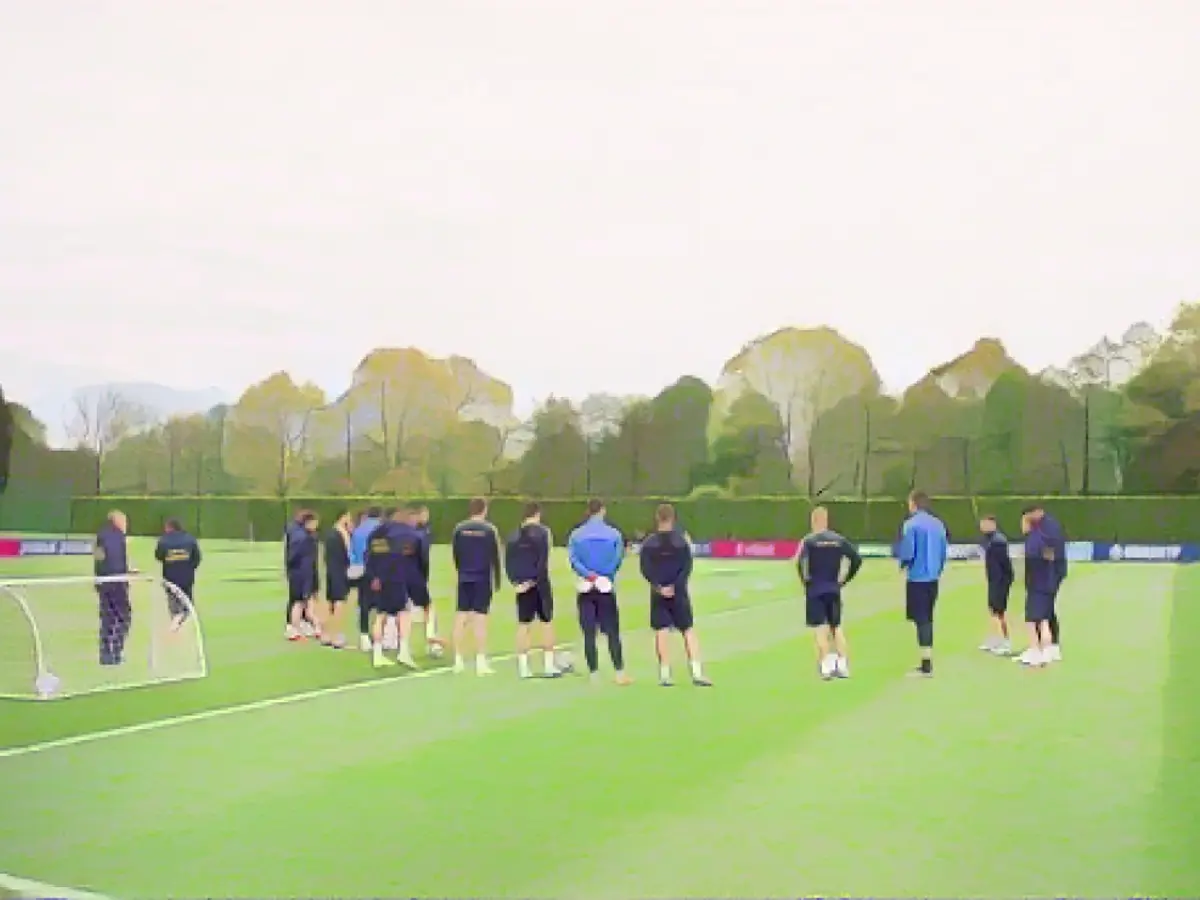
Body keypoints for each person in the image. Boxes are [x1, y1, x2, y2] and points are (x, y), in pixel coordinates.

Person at [639, 503, 711, 687]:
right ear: (673, 518)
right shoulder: (681, 542)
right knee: (688, 629)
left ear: (657, 518)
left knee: (661, 630)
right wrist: (676, 586)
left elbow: (645, 569)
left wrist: (658, 586)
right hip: (679, 592)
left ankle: (665, 673)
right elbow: (687, 567)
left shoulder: (649, 543)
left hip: (658, 593)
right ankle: (696, 672)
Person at [567, 498, 631, 686]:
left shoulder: (576, 535)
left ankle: (594, 673)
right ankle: (619, 672)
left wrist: (589, 575)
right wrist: (604, 575)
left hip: (586, 586)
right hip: (605, 586)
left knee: (588, 632)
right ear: (602, 511)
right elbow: (617, 559)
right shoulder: (614, 534)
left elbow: (574, 560)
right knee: (612, 632)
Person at [797, 505, 862, 680]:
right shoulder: (839, 540)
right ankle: (842, 664)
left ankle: (825, 666)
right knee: (836, 627)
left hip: (816, 590)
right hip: (833, 588)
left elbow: (801, 564)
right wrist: (845, 579)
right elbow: (856, 559)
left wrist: (806, 583)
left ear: (814, 521)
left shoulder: (810, 541)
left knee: (820, 628)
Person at [505, 502, 568, 679]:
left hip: (521, 585)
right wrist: (534, 579)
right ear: (537, 514)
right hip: (539, 583)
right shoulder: (543, 532)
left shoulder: (513, 535)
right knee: (546, 622)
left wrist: (517, 582)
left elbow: (508, 561)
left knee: (523, 624)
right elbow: (543, 559)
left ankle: (523, 668)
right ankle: (548, 665)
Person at [896, 491, 948, 677]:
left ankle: (926, 665)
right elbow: (943, 553)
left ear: (914, 504)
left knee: (921, 620)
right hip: (933, 578)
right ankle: (926, 660)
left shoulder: (911, 525)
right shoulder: (938, 524)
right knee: (927, 618)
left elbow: (908, 552)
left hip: (917, 578)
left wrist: (902, 564)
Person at [451, 497, 503, 675]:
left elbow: (456, 554)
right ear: (484, 510)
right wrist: (497, 580)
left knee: (461, 616)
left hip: (464, 576)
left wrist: (461, 571)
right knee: (480, 618)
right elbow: (495, 556)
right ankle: (481, 662)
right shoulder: (489, 530)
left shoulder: (459, 529)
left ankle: (458, 660)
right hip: (482, 578)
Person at [364, 508, 421, 669]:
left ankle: (377, 654)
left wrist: (374, 576)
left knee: (380, 615)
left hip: (381, 579)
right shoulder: (407, 533)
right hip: (398, 578)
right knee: (404, 613)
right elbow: (411, 557)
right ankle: (403, 651)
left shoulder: (376, 534)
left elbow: (370, 557)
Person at [1016, 505, 1066, 667]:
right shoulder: (1043, 529)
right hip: (1047, 576)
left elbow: (1047, 553)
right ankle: (1048, 649)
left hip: (1042, 578)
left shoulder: (1043, 531)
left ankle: (1039, 649)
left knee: (1035, 617)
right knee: (1045, 613)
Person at [95, 510, 135, 665]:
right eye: (124, 522)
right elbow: (116, 559)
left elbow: (100, 560)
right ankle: (117, 652)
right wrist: (123, 575)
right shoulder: (119, 537)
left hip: (104, 582)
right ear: (117, 521)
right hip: (117, 582)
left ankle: (105, 654)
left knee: (107, 618)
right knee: (124, 617)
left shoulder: (101, 536)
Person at [407, 505, 444, 655]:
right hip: (415, 578)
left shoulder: (419, 532)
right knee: (427, 609)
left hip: (402, 576)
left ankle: (400, 644)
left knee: (403, 611)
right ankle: (432, 643)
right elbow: (424, 559)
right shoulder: (420, 535)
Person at [154, 518, 201, 632]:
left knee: (173, 602)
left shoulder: (163, 541)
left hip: (170, 577)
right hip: (187, 577)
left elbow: (158, 556)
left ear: (169, 527)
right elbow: (197, 558)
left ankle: (176, 619)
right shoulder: (190, 539)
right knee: (188, 603)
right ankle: (179, 620)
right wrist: (189, 567)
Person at [978, 515, 1014, 655]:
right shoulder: (991, 540)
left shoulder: (998, 541)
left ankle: (1006, 641)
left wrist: (1001, 581)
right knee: (993, 610)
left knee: (999, 611)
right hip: (995, 579)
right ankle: (994, 639)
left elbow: (1003, 564)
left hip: (1000, 581)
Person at [284, 510, 320, 641]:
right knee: (299, 602)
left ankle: (299, 626)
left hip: (299, 573)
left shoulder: (300, 535)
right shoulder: (303, 538)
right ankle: (293, 628)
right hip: (301, 574)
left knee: (300, 602)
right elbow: (299, 558)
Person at [351, 507, 382, 651]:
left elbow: (352, 552)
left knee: (364, 604)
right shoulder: (380, 529)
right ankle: (380, 636)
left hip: (360, 570)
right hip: (377, 569)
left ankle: (364, 637)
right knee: (381, 605)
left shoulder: (358, 530)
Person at [321, 510, 352, 649]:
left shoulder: (329, 533)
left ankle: (326, 634)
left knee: (330, 603)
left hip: (330, 570)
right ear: (343, 517)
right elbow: (348, 553)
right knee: (339, 602)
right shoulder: (342, 533)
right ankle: (336, 636)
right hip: (340, 570)